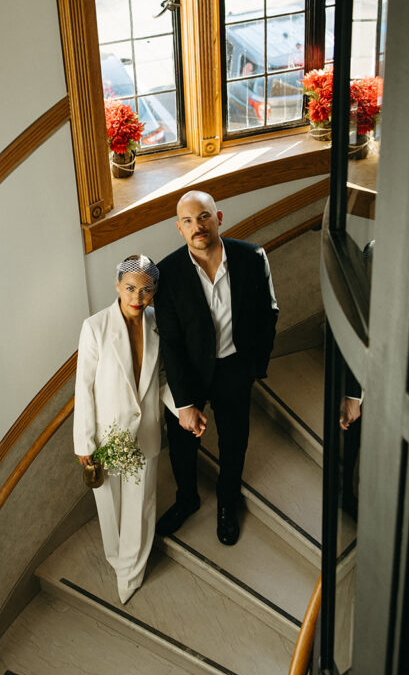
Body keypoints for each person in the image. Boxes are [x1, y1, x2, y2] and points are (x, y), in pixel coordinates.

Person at [154, 190, 278, 545]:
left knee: (234, 442)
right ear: (179, 228)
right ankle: (187, 499)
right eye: (189, 221)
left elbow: (269, 313)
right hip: (189, 375)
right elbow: (172, 343)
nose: (198, 226)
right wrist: (184, 403)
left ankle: (227, 505)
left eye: (204, 216)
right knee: (181, 446)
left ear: (218, 217)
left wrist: (255, 366)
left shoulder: (252, 257)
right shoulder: (168, 273)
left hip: (235, 369)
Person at [74, 254, 174, 603]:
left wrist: (183, 410)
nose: (137, 297)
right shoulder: (95, 327)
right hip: (105, 435)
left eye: (145, 290)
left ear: (153, 292)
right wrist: (84, 442)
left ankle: (131, 571)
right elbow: (83, 388)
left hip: (145, 430)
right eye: (130, 288)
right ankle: (116, 558)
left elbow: (161, 379)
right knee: (109, 504)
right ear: (117, 286)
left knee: (142, 504)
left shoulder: (158, 325)